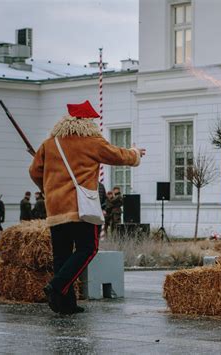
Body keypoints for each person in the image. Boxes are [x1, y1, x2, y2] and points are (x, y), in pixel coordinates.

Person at [29, 100, 145, 315]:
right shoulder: (91, 141)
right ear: (85, 121)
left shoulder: (49, 143)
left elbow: (35, 171)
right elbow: (117, 155)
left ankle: (65, 304)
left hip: (55, 209)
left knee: (62, 256)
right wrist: (135, 152)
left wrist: (49, 189)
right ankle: (56, 286)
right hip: (81, 208)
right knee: (88, 249)